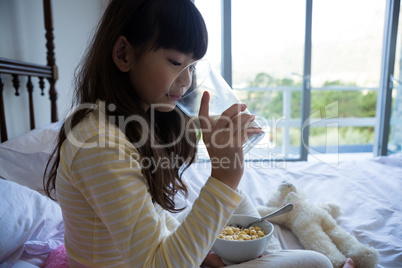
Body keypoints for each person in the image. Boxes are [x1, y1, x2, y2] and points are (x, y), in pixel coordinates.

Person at [44, 0, 353, 267]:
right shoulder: (99, 144)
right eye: (176, 62)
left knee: (240, 202)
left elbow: (149, 215)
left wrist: (202, 249)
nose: (186, 81)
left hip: (145, 253)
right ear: (123, 53)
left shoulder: (130, 121)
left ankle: (261, 259)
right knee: (317, 263)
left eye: (192, 67)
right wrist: (223, 178)